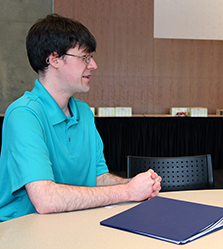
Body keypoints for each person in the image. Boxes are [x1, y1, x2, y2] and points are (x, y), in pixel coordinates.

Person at [0, 14, 162, 222]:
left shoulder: (84, 112)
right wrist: (128, 191)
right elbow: (46, 199)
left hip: (69, 224)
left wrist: (135, 185)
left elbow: (97, 178)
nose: (93, 65)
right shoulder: (23, 114)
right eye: (85, 57)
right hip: (22, 230)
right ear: (54, 59)